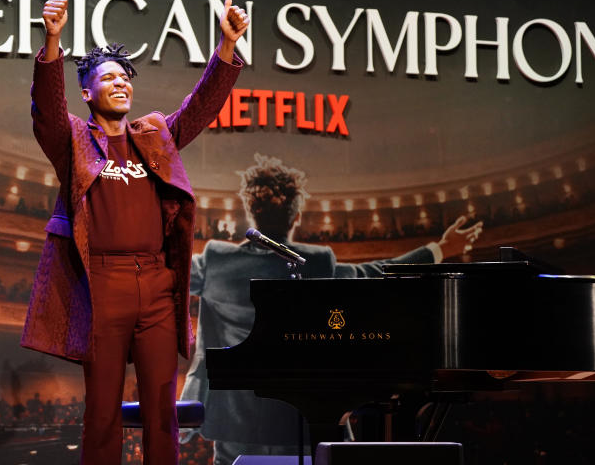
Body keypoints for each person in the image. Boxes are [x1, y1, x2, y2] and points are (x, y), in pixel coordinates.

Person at [20, 0, 248, 465]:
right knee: (102, 412)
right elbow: (46, 108)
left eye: (126, 77)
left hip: (158, 287)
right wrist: (53, 42)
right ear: (87, 92)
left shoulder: (155, 137)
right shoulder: (74, 141)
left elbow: (200, 106)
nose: (121, 83)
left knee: (161, 412)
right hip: (101, 286)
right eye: (108, 78)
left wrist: (225, 48)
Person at [180, 153, 484, 465]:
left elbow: (167, 274)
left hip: (236, 422)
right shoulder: (318, 262)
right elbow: (377, 272)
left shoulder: (216, 260)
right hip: (301, 416)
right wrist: (441, 249)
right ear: (296, 216)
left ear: (250, 212)